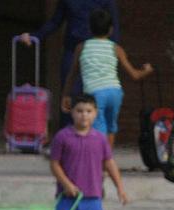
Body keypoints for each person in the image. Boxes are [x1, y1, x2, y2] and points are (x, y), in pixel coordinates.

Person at [19, 0, 120, 128]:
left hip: (96, 52)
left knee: (97, 96)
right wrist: (35, 36)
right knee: (69, 95)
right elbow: (55, 21)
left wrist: (112, 53)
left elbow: (114, 26)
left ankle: (94, 141)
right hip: (72, 50)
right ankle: (67, 137)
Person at [61, 9, 153, 148]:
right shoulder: (116, 48)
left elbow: (72, 73)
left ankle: (99, 161)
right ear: (111, 29)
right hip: (115, 92)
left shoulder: (81, 47)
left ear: (90, 29)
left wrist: (66, 94)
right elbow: (135, 75)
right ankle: (107, 159)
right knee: (111, 127)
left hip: (95, 93)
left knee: (98, 129)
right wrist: (147, 70)